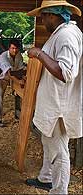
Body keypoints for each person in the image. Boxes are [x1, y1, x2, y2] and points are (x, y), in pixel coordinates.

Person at [25, 0, 82, 194]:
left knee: (59, 151)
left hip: (60, 107)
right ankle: (46, 178)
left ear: (51, 15)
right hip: (54, 103)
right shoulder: (60, 33)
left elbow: (66, 73)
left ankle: (59, 191)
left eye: (42, 17)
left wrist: (39, 54)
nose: (41, 21)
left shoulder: (66, 35)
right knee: (49, 143)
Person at [0, 40, 25, 127]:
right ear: (9, 48)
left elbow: (21, 70)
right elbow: (9, 74)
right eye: (12, 48)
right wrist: (19, 81)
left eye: (16, 48)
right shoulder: (4, 57)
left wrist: (24, 77)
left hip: (6, 79)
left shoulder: (19, 56)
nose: (14, 50)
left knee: (0, 96)